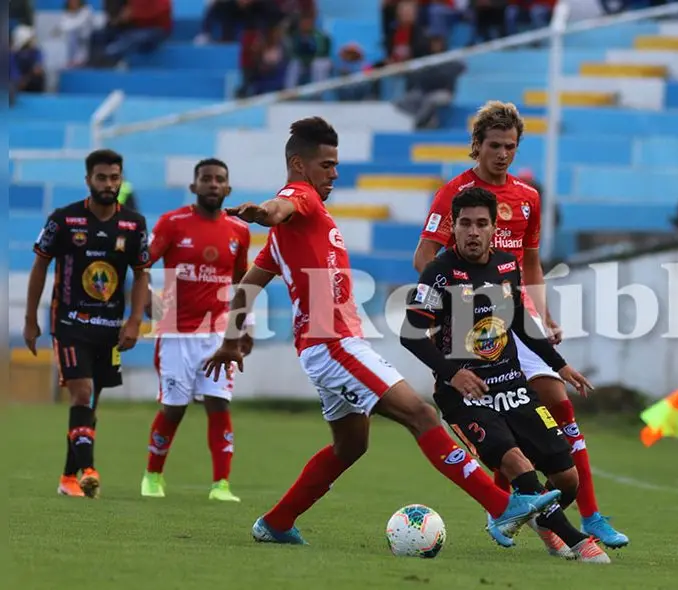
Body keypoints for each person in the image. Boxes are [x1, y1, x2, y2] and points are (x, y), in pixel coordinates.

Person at [202, 116, 560, 545]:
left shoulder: (288, 234)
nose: (335, 174)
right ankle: (502, 507)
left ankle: (276, 523)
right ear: (299, 165)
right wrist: (264, 212)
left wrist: (229, 340)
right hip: (334, 344)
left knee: (350, 446)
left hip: (323, 348)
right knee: (421, 414)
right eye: (327, 165)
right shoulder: (300, 199)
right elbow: (281, 205)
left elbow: (246, 287)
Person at [412, 100, 629, 548]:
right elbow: (424, 257)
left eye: (511, 146)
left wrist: (543, 313)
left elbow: (530, 265)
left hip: (515, 313)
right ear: (477, 146)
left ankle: (588, 514)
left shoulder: (528, 198)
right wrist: (445, 313)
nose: (503, 154)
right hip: (469, 320)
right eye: (495, 145)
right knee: (504, 415)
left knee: (558, 404)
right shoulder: (455, 193)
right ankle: (531, 517)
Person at [401, 186, 610, 562]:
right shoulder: (439, 273)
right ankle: (576, 541)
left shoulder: (505, 266)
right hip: (466, 395)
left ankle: (524, 515)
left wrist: (559, 365)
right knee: (516, 462)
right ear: (455, 227)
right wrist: (452, 374)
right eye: (465, 223)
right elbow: (410, 333)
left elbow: (520, 322)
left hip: (513, 385)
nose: (473, 231)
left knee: (567, 479)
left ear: (494, 228)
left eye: (482, 223)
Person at [23, 149, 151, 499]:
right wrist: (30, 319)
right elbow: (39, 266)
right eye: (101, 178)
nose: (109, 184)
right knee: (81, 393)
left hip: (110, 328)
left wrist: (135, 321)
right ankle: (90, 471)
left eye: (114, 178)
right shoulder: (63, 220)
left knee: (90, 405)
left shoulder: (134, 224)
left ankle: (67, 478)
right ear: (88, 180)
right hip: (69, 322)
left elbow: (141, 275)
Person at [139, 159, 252, 502]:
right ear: (194, 186)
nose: (213, 184)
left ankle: (221, 485)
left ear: (228, 188)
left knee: (219, 404)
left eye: (219, 179)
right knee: (174, 408)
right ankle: (153, 476)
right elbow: (142, 263)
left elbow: (243, 283)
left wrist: (245, 326)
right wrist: (145, 295)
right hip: (175, 333)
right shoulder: (172, 223)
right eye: (206, 179)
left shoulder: (239, 231)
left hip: (217, 333)